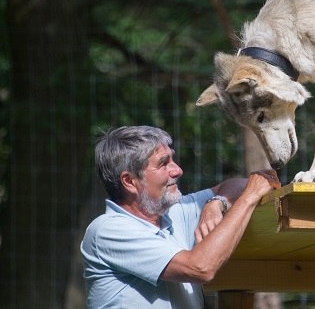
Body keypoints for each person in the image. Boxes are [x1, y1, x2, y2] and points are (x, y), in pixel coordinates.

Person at [81, 125, 280, 308]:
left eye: (172, 159)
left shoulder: (173, 211)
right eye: (163, 163)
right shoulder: (109, 230)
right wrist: (249, 199)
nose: (177, 170)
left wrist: (216, 202)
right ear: (129, 181)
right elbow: (201, 268)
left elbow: (241, 185)